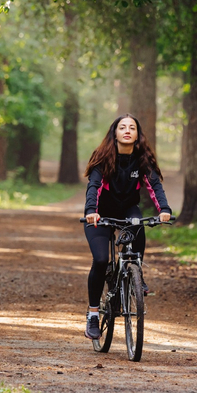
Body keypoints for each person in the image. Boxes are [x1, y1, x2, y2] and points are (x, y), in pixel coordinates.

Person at [82, 114, 172, 340]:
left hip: (127, 210)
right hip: (100, 215)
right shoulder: (103, 157)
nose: (127, 130)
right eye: (122, 127)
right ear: (115, 133)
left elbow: (154, 186)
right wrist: (91, 211)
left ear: (137, 134)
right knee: (101, 260)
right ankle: (93, 314)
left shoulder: (142, 159)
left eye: (132, 127)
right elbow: (93, 187)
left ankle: (135, 275)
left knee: (138, 223)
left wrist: (164, 209)